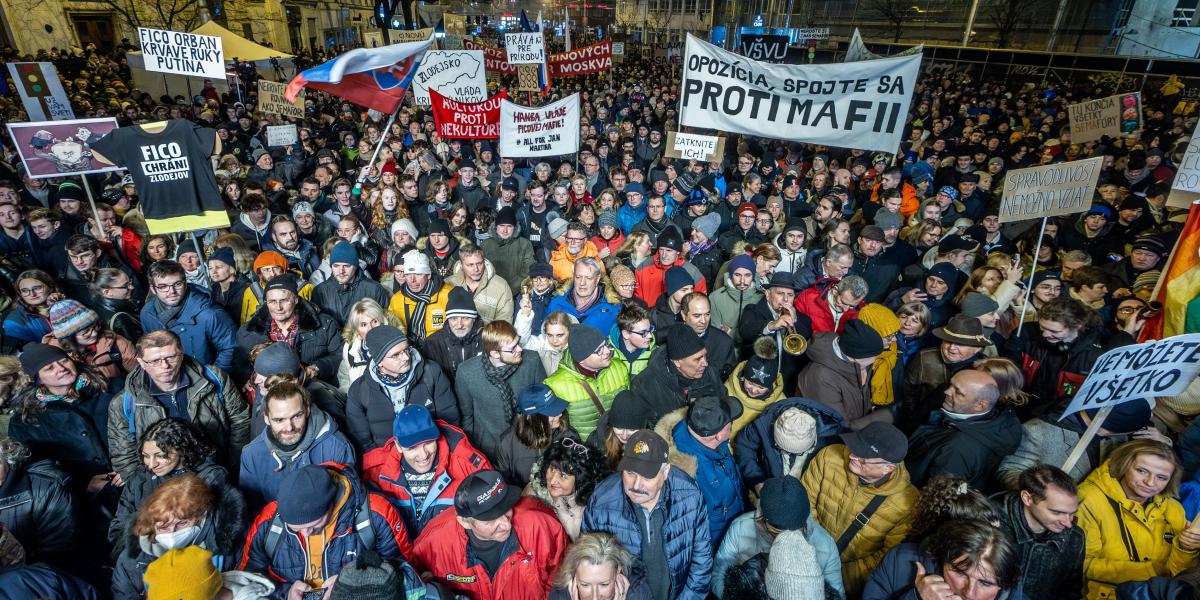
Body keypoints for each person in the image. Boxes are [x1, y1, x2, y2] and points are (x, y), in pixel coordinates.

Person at [239, 463, 415, 598]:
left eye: (313, 526)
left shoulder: (376, 514)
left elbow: (405, 574)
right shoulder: (268, 521)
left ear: (331, 504)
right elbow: (247, 579)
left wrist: (348, 587)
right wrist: (285, 594)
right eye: (296, 529)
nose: (306, 533)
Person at [582, 430, 713, 600]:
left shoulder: (690, 495)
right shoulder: (601, 501)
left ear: (665, 472)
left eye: (647, 477)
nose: (636, 485)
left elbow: (701, 561)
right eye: (630, 473)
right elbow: (587, 561)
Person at [108, 330, 250, 480]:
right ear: (142, 363)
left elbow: (240, 421)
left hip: (216, 472)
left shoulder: (214, 379)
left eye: (171, 357)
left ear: (181, 354)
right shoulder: (124, 402)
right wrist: (148, 487)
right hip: (163, 483)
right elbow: (124, 456)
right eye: (155, 361)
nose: (165, 365)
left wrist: (233, 466)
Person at [801, 421, 919, 597]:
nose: (852, 456)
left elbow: (884, 559)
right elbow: (804, 502)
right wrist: (810, 550)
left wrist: (836, 577)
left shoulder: (908, 504)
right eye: (855, 447)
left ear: (888, 468)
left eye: (863, 458)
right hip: (805, 553)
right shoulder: (829, 457)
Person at [411, 469, 569, 599]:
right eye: (490, 520)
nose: (506, 524)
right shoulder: (433, 543)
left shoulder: (541, 524)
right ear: (465, 521)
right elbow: (415, 586)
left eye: (506, 509)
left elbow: (561, 581)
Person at [1077, 440, 1200, 599]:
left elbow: (1178, 574)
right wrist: (1153, 573)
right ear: (1124, 464)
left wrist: (1186, 548)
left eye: (1161, 477)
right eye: (1142, 471)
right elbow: (1082, 565)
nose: (1150, 483)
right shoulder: (1089, 499)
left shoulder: (1173, 508)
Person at [361, 404, 491, 538]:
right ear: (398, 445)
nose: (423, 455)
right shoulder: (373, 472)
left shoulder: (470, 466)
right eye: (412, 448)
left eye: (428, 443)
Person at [111, 475, 247, 599]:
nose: (172, 532)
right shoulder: (131, 561)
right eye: (163, 527)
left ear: (203, 517)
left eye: (182, 523)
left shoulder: (232, 548)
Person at [108, 418, 228, 553]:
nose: (152, 464)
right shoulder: (140, 477)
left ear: (181, 449)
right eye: (146, 456)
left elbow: (214, 533)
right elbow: (118, 528)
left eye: (161, 455)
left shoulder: (209, 477)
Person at [711, 476, 843, 598]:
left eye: (794, 530)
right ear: (763, 518)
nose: (785, 537)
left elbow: (837, 593)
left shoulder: (825, 544)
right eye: (777, 530)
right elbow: (718, 575)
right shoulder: (740, 528)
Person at [239, 380, 355, 510]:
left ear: (307, 410)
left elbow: (348, 504)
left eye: (296, 416)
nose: (289, 427)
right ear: (266, 418)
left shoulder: (337, 447)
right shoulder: (251, 455)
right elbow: (254, 512)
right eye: (279, 420)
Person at [345, 324, 459, 451]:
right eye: (396, 355)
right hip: (385, 459)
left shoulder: (431, 373)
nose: (406, 357)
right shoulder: (359, 391)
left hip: (431, 453)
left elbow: (450, 421)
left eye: (406, 349)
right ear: (379, 361)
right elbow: (362, 441)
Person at [652, 394, 744, 546]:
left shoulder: (717, 443)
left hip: (735, 532)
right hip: (716, 547)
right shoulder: (684, 477)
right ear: (719, 435)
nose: (732, 425)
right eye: (730, 423)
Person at [905, 369, 1021, 489]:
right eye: (951, 385)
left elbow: (936, 496)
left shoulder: (959, 450)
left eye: (958, 392)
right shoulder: (991, 418)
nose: (947, 391)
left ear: (980, 405)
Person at [862, 519, 1025, 600]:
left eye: (986, 583)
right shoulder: (900, 562)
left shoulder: (1012, 590)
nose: (969, 593)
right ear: (942, 558)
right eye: (960, 573)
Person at [455, 319, 547, 459]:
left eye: (518, 342)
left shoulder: (532, 361)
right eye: (513, 348)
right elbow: (466, 417)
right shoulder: (466, 372)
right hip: (488, 449)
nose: (520, 349)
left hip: (527, 443)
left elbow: (544, 405)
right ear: (495, 354)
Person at [993, 465, 1085, 600]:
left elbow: (1070, 592)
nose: (1068, 523)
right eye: (1057, 512)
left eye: (1072, 514)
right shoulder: (990, 525)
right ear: (1027, 498)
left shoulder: (1075, 537)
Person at [234, 273, 344, 384]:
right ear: (266, 302)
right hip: (267, 393)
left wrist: (318, 367)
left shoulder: (324, 325)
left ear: (296, 300)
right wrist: (249, 379)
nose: (278, 307)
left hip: (310, 388)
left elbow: (339, 355)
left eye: (284, 300)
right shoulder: (249, 330)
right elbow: (240, 365)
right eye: (272, 301)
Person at [900, 314, 992, 434]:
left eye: (961, 344)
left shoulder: (985, 370)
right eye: (948, 341)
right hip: (920, 422)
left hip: (958, 430)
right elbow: (909, 388)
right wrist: (913, 415)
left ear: (978, 348)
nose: (952, 347)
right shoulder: (924, 357)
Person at [139, 261, 238, 373]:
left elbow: (230, 349)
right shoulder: (147, 314)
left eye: (178, 284)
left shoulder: (210, 314)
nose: (172, 291)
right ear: (153, 289)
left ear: (185, 284)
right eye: (163, 286)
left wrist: (212, 377)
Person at [797, 318, 890, 430]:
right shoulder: (820, 377)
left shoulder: (859, 362)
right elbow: (837, 425)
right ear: (854, 358)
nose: (874, 362)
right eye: (872, 360)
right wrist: (880, 418)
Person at [544, 324, 630, 440]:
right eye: (598, 350)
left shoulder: (619, 368)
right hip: (584, 451)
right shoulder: (555, 385)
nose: (606, 351)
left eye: (605, 345)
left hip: (616, 444)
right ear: (581, 359)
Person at [630, 325, 724, 426]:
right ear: (677, 362)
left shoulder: (711, 373)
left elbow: (722, 407)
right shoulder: (644, 385)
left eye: (705, 355)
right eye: (698, 359)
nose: (705, 363)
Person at [527, 437, 611, 541]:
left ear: (580, 480)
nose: (553, 480)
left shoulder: (596, 504)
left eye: (563, 475)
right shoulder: (532, 496)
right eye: (552, 469)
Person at [498, 384, 577, 488]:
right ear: (534, 418)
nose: (559, 414)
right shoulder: (506, 443)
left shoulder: (568, 437)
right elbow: (505, 484)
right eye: (552, 412)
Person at [548, 532, 653, 600]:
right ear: (574, 575)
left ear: (618, 571)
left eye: (604, 584)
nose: (595, 597)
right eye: (585, 585)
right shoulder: (560, 595)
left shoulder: (638, 593)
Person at [388, 250, 454, 346]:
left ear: (428, 275)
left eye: (418, 274)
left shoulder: (448, 295)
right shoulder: (397, 300)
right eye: (408, 274)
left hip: (442, 349)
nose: (412, 280)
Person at [312, 241, 390, 321]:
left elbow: (383, 323)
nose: (341, 271)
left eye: (346, 266)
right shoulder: (320, 291)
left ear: (356, 266)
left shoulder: (375, 290)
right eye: (336, 266)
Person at [546, 257, 619, 334]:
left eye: (588, 278)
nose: (582, 283)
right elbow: (544, 335)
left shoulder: (613, 308)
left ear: (597, 279)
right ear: (573, 277)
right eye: (578, 277)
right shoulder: (557, 303)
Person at [448, 243, 515, 324]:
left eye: (479, 263)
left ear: (484, 262)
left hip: (488, 336)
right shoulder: (449, 284)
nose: (476, 269)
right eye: (470, 265)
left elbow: (505, 323)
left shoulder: (501, 286)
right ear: (461, 265)